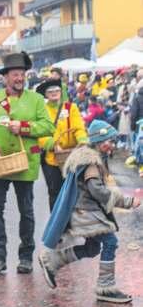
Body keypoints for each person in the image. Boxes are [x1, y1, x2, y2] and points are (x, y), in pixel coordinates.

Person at [39, 120, 140, 304]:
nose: (111, 144)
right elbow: (97, 191)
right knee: (110, 242)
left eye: (112, 140)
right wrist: (127, 201)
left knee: (92, 248)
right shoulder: (92, 163)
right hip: (86, 212)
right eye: (108, 141)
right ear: (98, 142)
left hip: (87, 211)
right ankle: (106, 287)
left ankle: (52, 260)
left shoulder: (93, 158)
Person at [0, 52, 55, 276]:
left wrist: (24, 127)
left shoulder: (36, 100)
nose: (20, 78)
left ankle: (26, 257)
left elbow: (48, 127)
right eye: (15, 75)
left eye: (22, 74)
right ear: (5, 77)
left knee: (26, 211)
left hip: (25, 162)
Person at [36, 78, 87, 211]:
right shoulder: (42, 110)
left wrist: (82, 140)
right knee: (55, 193)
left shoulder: (71, 107)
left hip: (71, 156)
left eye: (56, 90)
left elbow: (78, 128)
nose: (54, 93)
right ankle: (56, 221)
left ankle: (72, 220)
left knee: (72, 192)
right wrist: (52, 144)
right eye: (50, 91)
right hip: (51, 160)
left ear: (61, 92)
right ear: (45, 94)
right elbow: (39, 133)